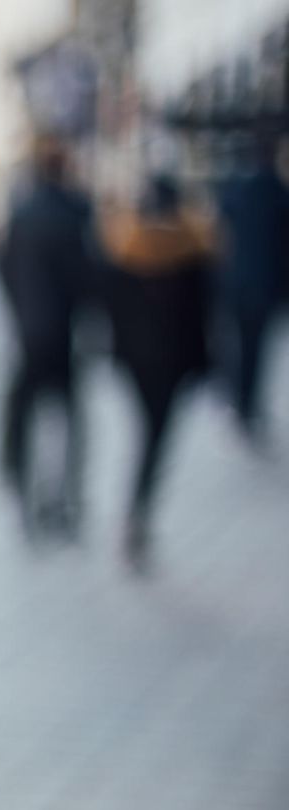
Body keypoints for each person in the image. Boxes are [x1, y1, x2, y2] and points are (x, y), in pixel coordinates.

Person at [100, 175, 212, 572]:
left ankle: (138, 507)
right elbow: (204, 314)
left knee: (147, 431)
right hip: (172, 362)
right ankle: (140, 507)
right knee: (156, 435)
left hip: (136, 360)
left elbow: (108, 309)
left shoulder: (122, 245)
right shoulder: (192, 248)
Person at [0, 135, 96, 539]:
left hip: (28, 333)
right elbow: (86, 276)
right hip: (63, 334)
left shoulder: (22, 214)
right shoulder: (75, 212)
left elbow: (2, 268)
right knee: (69, 419)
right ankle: (64, 498)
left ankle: (24, 491)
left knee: (27, 417)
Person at [215, 133, 289, 443]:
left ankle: (240, 399)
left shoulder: (235, 187)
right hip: (263, 286)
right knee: (254, 348)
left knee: (240, 344)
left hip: (238, 283)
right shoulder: (276, 190)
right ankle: (247, 402)